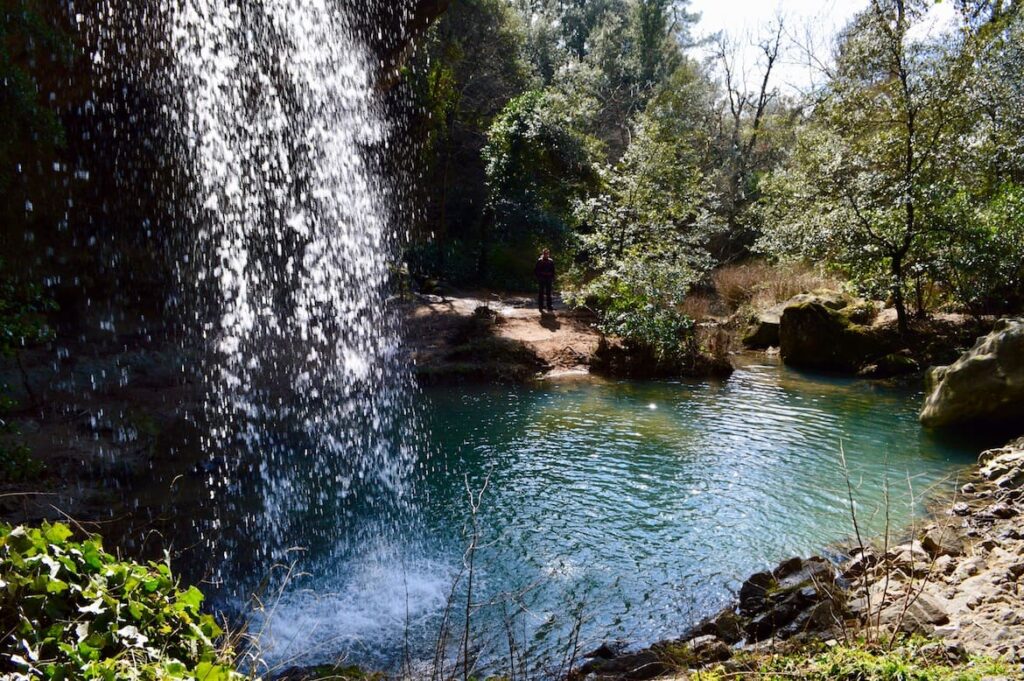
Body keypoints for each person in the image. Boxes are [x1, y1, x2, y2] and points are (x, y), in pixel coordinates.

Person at [534, 248, 555, 313]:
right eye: (545, 253)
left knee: (549, 293)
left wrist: (551, 276)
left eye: (547, 253)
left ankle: (549, 306)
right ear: (543, 254)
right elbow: (536, 270)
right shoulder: (540, 261)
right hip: (542, 278)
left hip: (548, 279)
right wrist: (540, 276)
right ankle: (541, 306)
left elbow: (553, 271)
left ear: (548, 254)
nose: (546, 254)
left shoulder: (550, 261)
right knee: (541, 293)